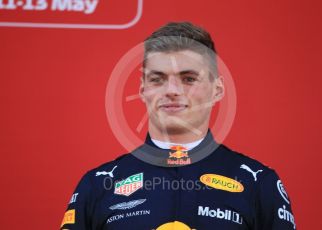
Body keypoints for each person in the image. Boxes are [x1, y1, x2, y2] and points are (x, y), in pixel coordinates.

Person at [61, 22, 296, 230]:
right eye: (157, 79)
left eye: (189, 78)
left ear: (217, 90)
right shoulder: (98, 184)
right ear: (143, 90)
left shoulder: (259, 183)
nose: (172, 90)